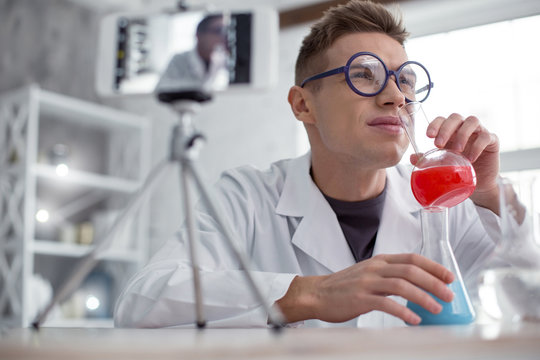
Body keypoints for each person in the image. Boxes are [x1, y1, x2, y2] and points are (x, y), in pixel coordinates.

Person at [115, 0, 504, 328]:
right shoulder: (247, 196)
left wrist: (491, 194)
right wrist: (309, 293)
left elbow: (529, 300)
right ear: (303, 104)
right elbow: (142, 302)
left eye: (404, 80)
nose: (395, 97)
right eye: (364, 75)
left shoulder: (446, 207)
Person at [155, 14, 229, 96]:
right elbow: (160, 89)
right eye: (218, 31)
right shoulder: (179, 59)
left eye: (226, 31)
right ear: (199, 35)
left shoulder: (221, 59)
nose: (223, 37)